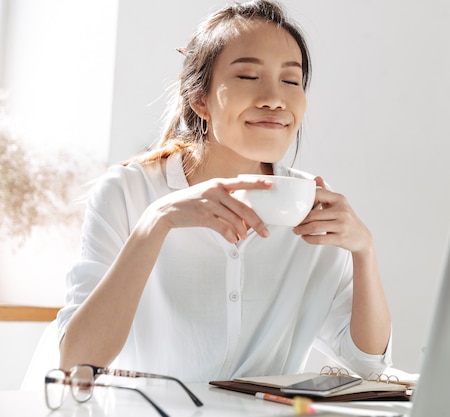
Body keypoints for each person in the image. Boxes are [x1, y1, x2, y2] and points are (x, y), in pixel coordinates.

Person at [57, 0, 392, 382]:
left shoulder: (312, 204)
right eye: (248, 77)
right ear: (200, 98)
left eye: (291, 80)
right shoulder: (127, 193)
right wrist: (157, 221)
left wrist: (364, 250)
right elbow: (76, 363)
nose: (274, 98)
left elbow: (367, 364)